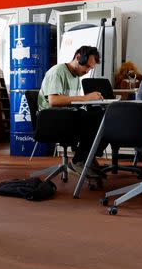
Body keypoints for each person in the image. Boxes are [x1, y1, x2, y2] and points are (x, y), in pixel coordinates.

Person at [37, 45, 106, 177]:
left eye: (90, 68)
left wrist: (91, 101)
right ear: (78, 57)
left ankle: (86, 157)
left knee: (102, 117)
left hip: (64, 117)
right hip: (50, 120)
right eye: (86, 66)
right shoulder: (58, 72)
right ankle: (79, 160)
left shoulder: (75, 77)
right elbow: (54, 101)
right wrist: (86, 98)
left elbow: (71, 101)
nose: (87, 71)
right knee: (94, 119)